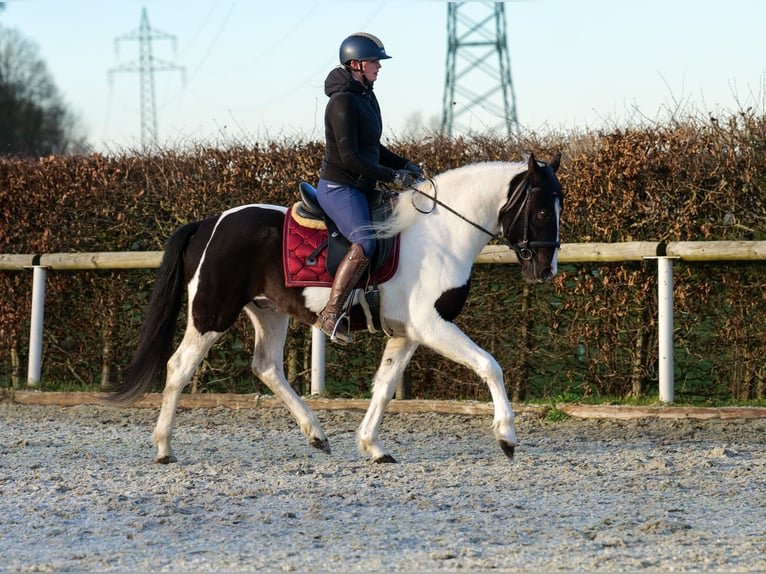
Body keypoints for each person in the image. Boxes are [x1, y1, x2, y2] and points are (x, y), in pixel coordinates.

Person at [314, 32, 423, 344]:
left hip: (363, 186)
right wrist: (391, 175)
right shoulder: (342, 102)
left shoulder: (366, 96)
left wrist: (405, 165)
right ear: (356, 64)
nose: (379, 66)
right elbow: (350, 158)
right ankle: (331, 313)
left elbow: (373, 148)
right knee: (366, 241)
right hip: (340, 187)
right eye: (375, 61)